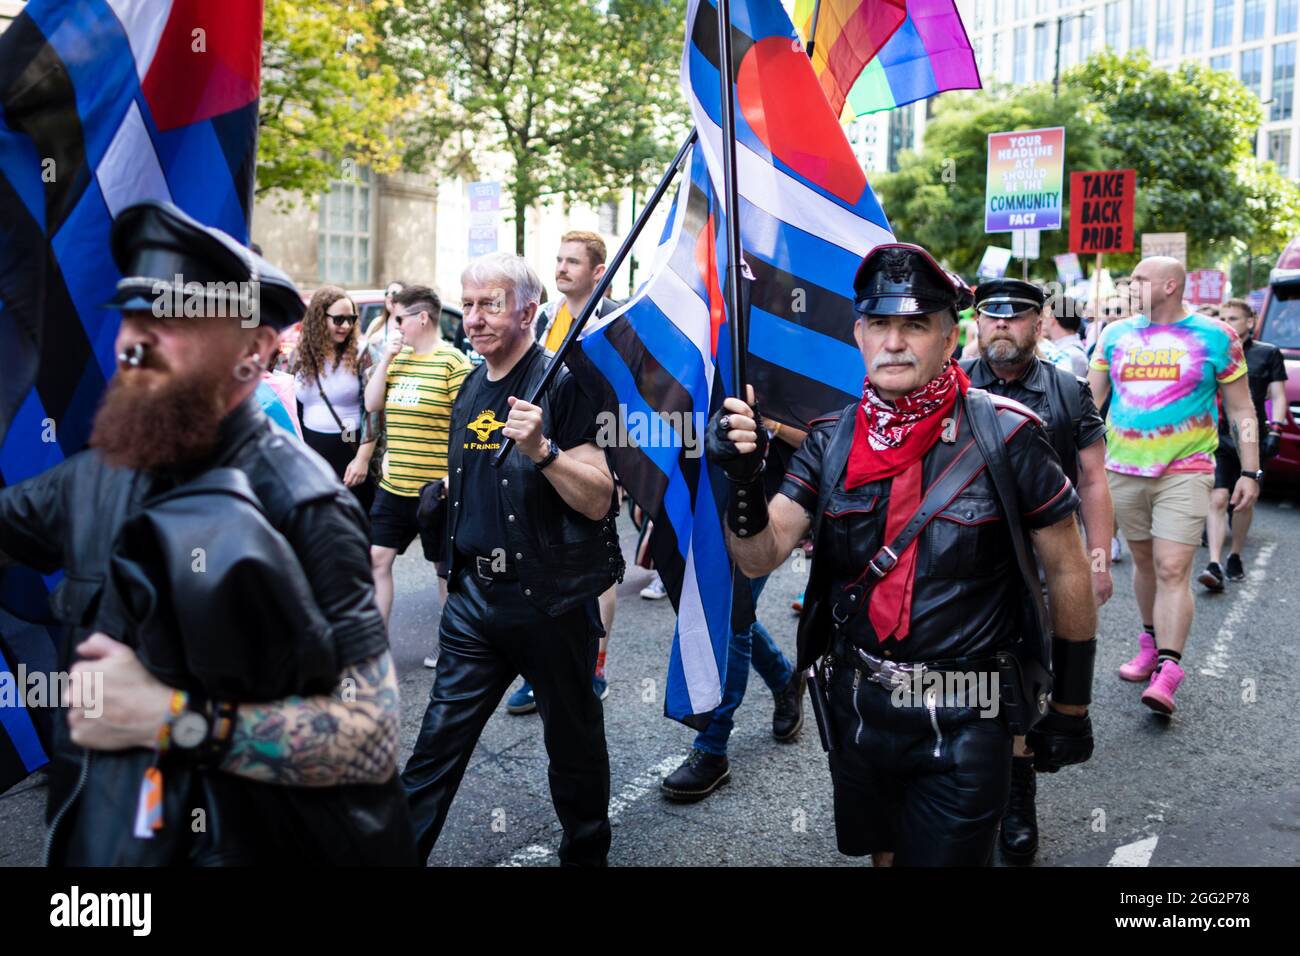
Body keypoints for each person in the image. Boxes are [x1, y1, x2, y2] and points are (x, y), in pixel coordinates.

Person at [0, 201, 413, 864]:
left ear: (253, 351)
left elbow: (369, 735)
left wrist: (174, 718)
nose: (135, 340)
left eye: (169, 320)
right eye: (132, 317)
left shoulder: (301, 502)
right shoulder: (95, 478)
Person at [708, 243, 1097, 866]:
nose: (894, 342)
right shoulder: (830, 441)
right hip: (859, 707)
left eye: (915, 325)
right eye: (880, 325)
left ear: (950, 339)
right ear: (859, 334)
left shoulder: (1012, 434)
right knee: (884, 858)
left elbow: (1069, 569)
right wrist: (745, 482)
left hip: (971, 710)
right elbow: (760, 556)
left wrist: (1072, 706)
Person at [400, 252, 622, 866]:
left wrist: (544, 450)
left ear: (527, 310)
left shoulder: (566, 382)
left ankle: (586, 856)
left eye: (488, 304)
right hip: (475, 604)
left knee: (573, 746)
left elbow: (601, 498)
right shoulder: (470, 385)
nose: (472, 318)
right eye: (467, 305)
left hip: (549, 600)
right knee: (434, 748)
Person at [964, 278, 1113, 865]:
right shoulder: (945, 383)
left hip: (1051, 559)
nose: (1002, 324)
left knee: (1028, 675)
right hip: (968, 557)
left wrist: (1096, 555)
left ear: (1039, 322)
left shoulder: (1069, 391)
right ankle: (959, 783)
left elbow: (1095, 478)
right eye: (991, 315)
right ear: (977, 323)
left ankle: (1018, 795)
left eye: (1016, 315)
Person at [1088, 257, 1260, 715]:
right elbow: (1089, 403)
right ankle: (1149, 641)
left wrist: (1249, 471)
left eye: (1140, 279)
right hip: (1123, 469)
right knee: (1144, 563)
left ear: (1169, 285)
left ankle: (1169, 667)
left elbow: (1242, 411)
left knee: (1171, 568)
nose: (1131, 285)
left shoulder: (1216, 336)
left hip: (1187, 470)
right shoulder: (1115, 335)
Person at [660, 418, 809, 802]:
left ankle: (712, 748)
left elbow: (819, 434)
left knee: (731, 616)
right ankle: (784, 679)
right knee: (729, 613)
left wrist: (769, 422)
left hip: (772, 507)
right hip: (710, 498)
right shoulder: (717, 361)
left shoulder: (783, 365)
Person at [508, 231, 621, 712]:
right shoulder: (552, 318)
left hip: (603, 444)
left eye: (573, 261)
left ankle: (594, 666)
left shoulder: (615, 321)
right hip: (554, 444)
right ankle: (542, 669)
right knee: (550, 544)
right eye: (558, 259)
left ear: (598, 272)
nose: (561, 268)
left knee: (597, 552)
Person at [365, 284, 473, 639]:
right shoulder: (399, 358)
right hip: (394, 486)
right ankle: (375, 647)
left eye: (400, 319)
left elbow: (469, 425)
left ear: (422, 318)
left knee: (444, 571)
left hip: (436, 491)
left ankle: (450, 645)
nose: (394, 326)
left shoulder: (452, 361)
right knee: (376, 559)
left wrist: (451, 476)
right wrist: (385, 359)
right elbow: (371, 404)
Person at [1199, 298, 1289, 590]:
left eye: (1234, 318)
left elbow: (1278, 396)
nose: (1227, 324)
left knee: (1243, 500)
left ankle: (1235, 554)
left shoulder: (1268, 353)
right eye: (1222, 318)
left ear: (1250, 322)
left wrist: (1275, 429)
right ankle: (1213, 562)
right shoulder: (1214, 350)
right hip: (1219, 436)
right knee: (1217, 498)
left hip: (1251, 437)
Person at [289, 286, 382, 512]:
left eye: (351, 319)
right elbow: (289, 403)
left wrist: (362, 458)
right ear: (320, 319)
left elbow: (375, 410)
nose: (346, 326)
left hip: (348, 442)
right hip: (309, 449)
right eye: (339, 320)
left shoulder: (363, 352)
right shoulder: (299, 354)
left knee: (352, 518)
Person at [1040, 294, 1089, 378]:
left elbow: (1051, 383)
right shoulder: (1062, 348)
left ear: (1053, 319)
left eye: (1044, 316)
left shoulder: (1073, 354)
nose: (1041, 321)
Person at [364, 280, 408, 349]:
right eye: (387, 293)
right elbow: (363, 352)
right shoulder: (376, 322)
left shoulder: (410, 324)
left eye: (394, 293)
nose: (388, 296)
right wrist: (369, 344)